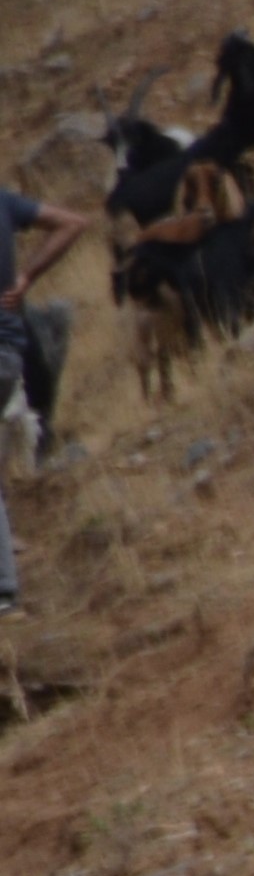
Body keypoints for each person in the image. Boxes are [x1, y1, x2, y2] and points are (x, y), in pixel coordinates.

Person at [0, 190, 72, 614]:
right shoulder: (6, 203)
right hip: (10, 357)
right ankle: (5, 589)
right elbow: (73, 222)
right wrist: (26, 277)